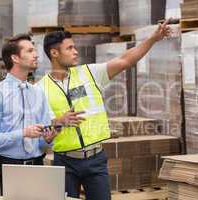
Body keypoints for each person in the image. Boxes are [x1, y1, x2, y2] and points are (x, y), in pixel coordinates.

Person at [37, 20, 171, 200]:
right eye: (69, 48)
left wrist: (153, 38)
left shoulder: (89, 73)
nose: (76, 51)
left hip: (95, 159)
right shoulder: (40, 89)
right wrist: (58, 122)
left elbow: (125, 60)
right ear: (54, 53)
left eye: (74, 47)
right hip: (64, 162)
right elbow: (42, 130)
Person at [0, 33, 58, 197]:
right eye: (30, 51)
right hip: (7, 168)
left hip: (37, 166)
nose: (36, 55)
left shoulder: (38, 93)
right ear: (15, 58)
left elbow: (43, 141)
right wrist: (22, 133)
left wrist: (48, 138)